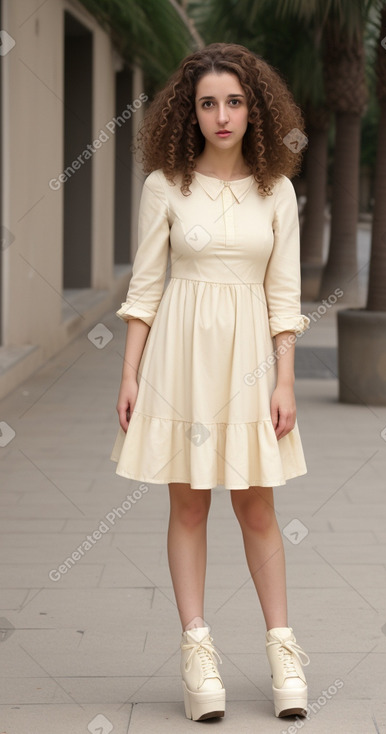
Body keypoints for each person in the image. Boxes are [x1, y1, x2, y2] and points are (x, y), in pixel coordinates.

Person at [110, 41, 311, 722]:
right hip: (179, 361)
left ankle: (281, 648)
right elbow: (144, 289)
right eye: (207, 103)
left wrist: (284, 381)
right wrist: (130, 374)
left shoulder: (276, 190)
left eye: (233, 101)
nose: (221, 115)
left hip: (252, 361)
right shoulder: (164, 185)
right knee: (188, 506)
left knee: (256, 507)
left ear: (253, 109)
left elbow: (283, 299)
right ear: (188, 113)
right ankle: (198, 651)